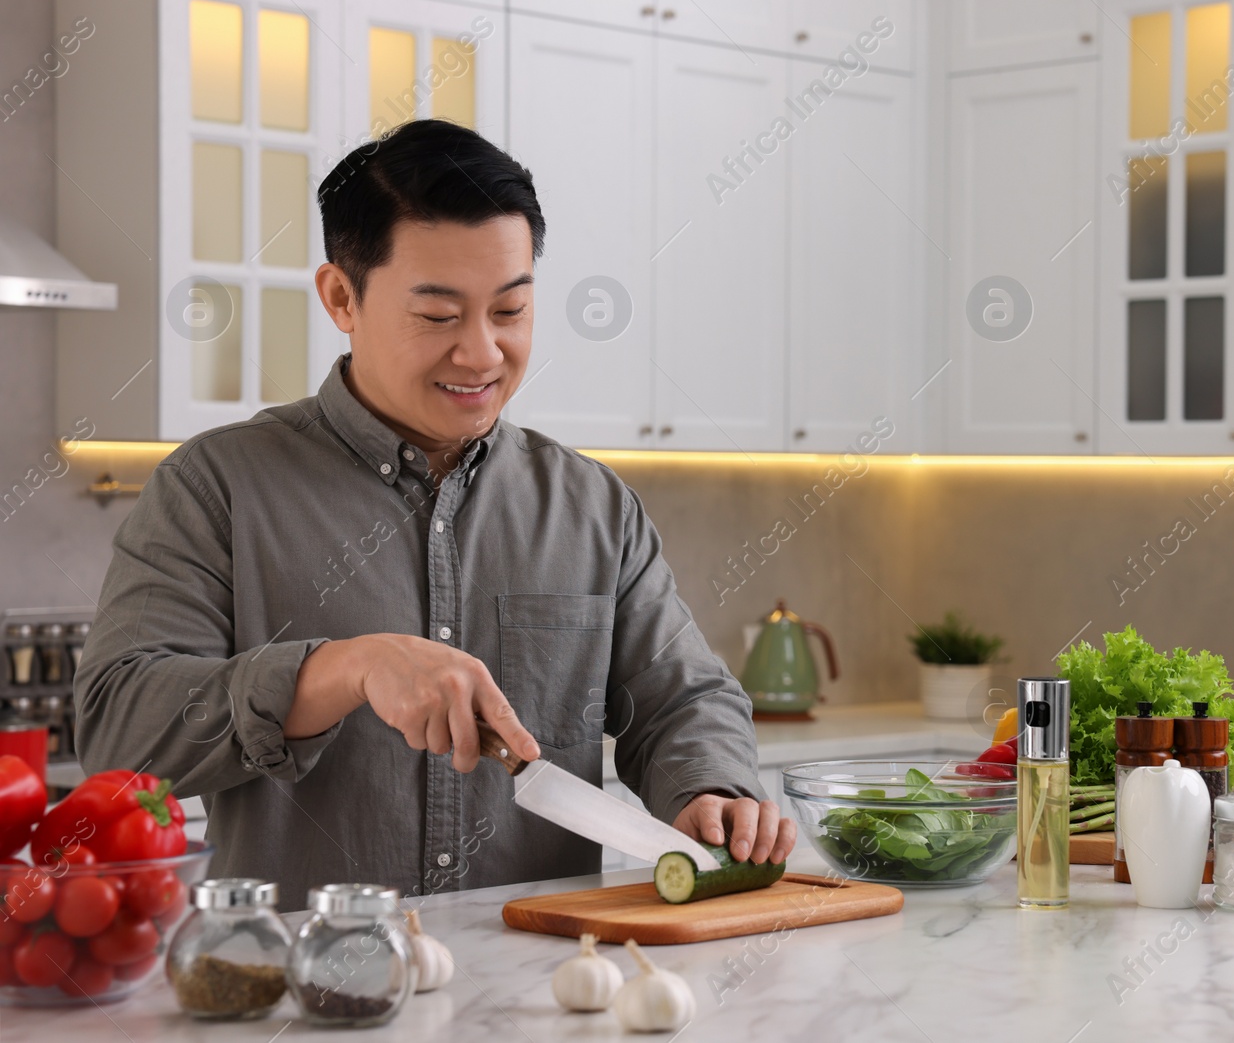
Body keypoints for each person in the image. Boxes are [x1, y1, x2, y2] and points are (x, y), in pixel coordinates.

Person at [74, 118, 794, 908]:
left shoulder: (593, 506)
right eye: (439, 315)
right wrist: (345, 669)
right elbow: (119, 728)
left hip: (537, 1000)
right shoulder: (215, 486)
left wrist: (710, 785)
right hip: (299, 1006)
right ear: (341, 296)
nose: (482, 352)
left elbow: (682, 699)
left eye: (511, 311)